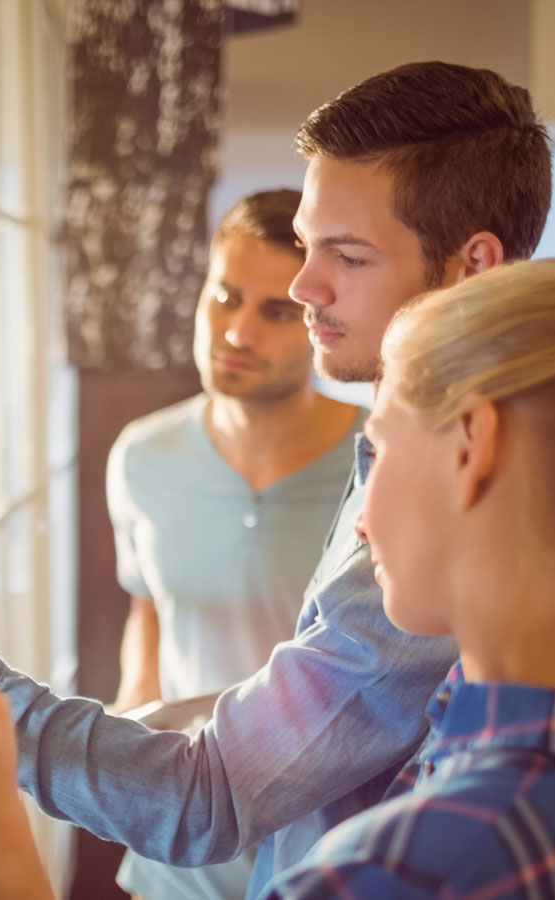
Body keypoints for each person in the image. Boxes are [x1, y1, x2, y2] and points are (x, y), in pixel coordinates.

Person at [0, 60, 552, 897]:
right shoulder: (400, 438)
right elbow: (276, 714)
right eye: (308, 246)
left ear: (472, 264)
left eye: (347, 254)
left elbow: (209, 794)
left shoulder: (457, 495)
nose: (304, 287)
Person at [0, 259, 555, 899]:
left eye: (378, 450)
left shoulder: (406, 871)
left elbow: (213, 789)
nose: (359, 514)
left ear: (473, 448)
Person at [107, 188, 361, 899]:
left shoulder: (380, 465)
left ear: (321, 321)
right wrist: (135, 706)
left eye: (276, 312)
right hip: (177, 846)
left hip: (322, 849)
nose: (237, 333)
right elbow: (150, 605)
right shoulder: (140, 457)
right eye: (224, 298)